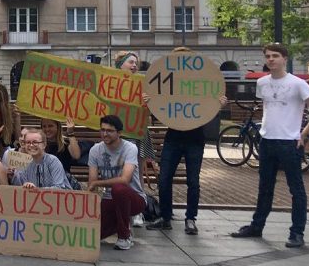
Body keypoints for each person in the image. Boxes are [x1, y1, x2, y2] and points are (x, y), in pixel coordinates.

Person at [231, 43, 309, 247]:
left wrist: (304, 133)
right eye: (268, 56)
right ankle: (257, 226)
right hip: (267, 140)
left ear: (285, 59)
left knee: (296, 189)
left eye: (275, 56)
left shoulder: (297, 83)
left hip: (289, 142)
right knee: (265, 187)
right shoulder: (262, 83)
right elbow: (267, 108)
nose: (271, 59)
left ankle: (297, 233)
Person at [146, 48, 229, 235]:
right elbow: (161, 109)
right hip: (173, 138)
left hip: (195, 139)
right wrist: (149, 102)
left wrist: (219, 104)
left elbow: (208, 108)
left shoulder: (198, 82)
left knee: (193, 181)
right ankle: (165, 217)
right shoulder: (169, 82)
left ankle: (191, 218)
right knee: (164, 178)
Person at [87, 114, 147, 251]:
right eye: (102, 130)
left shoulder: (130, 148)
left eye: (109, 131)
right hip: (108, 199)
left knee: (119, 188)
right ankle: (121, 223)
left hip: (134, 199)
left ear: (119, 133)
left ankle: (124, 236)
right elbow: (92, 181)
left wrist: (98, 183)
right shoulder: (95, 150)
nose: (105, 134)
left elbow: (125, 180)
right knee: (93, 236)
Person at [114, 50, 154, 227]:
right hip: (119, 134)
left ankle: (137, 210)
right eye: (130, 62)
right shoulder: (111, 84)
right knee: (122, 173)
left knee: (135, 172)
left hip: (137, 133)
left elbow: (149, 113)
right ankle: (130, 209)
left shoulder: (142, 85)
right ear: (120, 64)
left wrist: (148, 102)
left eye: (135, 63)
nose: (134, 65)